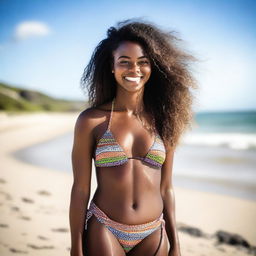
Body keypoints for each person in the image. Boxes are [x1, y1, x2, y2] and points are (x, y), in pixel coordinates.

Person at [69, 19, 197, 256]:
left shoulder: (165, 120)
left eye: (143, 62)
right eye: (124, 62)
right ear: (112, 66)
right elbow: (80, 189)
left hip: (153, 232)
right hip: (105, 226)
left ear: (152, 66)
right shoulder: (91, 121)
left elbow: (167, 188)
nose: (134, 70)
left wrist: (175, 244)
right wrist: (76, 248)